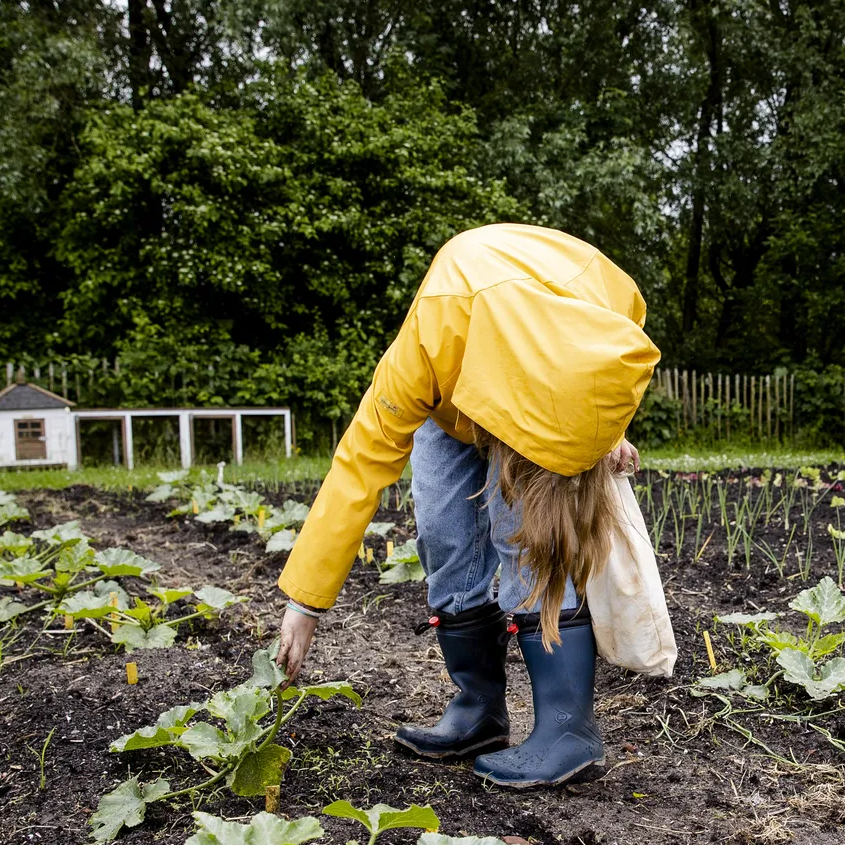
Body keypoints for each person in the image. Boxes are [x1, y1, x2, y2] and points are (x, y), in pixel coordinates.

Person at [273, 223, 658, 788]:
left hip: (546, 376)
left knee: (525, 532)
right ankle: (478, 707)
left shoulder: (599, 291)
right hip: (453, 386)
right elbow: (359, 464)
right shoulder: (429, 343)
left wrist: (604, 429)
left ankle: (567, 728)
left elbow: (617, 355)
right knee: (443, 532)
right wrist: (304, 607)